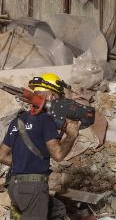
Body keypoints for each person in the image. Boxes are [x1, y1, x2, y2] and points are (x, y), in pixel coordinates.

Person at [0, 73, 80, 219]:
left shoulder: (18, 121)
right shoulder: (46, 120)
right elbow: (58, 155)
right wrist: (71, 136)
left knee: (57, 210)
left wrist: (25, 166)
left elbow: (2, 155)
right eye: (57, 97)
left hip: (15, 186)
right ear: (50, 96)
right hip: (33, 189)